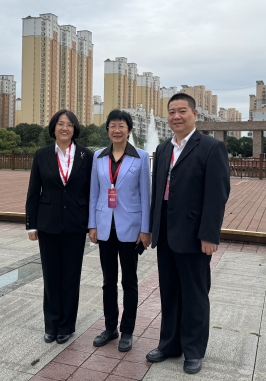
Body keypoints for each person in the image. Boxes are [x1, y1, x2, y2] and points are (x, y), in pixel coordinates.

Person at [145, 93, 230, 375]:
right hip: (166, 233)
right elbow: (158, 192)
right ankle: (169, 344)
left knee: (194, 294)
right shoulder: (163, 149)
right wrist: (152, 229)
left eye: (182, 111)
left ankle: (193, 351)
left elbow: (217, 195)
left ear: (195, 114)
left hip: (194, 235)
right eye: (172, 112)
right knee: (169, 292)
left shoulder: (211, 148)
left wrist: (210, 234)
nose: (176, 116)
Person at [25, 109, 93, 344]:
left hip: (75, 224)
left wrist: (92, 224)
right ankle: (51, 324)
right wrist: (31, 225)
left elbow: (91, 192)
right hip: (48, 224)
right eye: (61, 124)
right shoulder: (42, 155)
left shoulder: (86, 155)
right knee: (51, 276)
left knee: (71, 276)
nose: (65, 128)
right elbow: (33, 191)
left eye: (70, 124)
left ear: (75, 129)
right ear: (53, 128)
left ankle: (66, 325)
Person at [88, 110, 151, 353]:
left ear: (129, 130)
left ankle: (127, 331)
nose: (117, 130)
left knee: (129, 281)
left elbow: (145, 195)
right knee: (108, 281)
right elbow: (94, 193)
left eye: (121, 126)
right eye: (112, 125)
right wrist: (92, 224)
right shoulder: (98, 156)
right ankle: (110, 327)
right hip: (105, 227)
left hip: (130, 228)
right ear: (107, 130)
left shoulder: (140, 157)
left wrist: (145, 229)